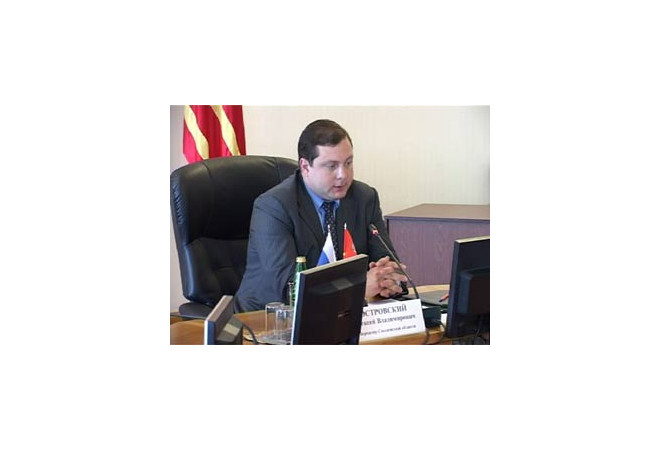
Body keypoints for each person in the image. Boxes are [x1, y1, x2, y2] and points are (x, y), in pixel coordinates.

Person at [234, 119, 408, 312]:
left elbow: (389, 265)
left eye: (348, 163)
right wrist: (358, 290)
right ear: (305, 167)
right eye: (331, 166)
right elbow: (290, 289)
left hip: (345, 314)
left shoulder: (364, 198)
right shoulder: (273, 207)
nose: (343, 175)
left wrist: (389, 281)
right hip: (270, 318)